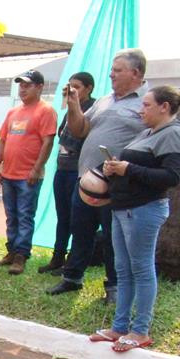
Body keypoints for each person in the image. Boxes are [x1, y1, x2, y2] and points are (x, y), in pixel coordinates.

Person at [48, 50, 150, 304]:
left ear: (136, 73)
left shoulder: (148, 103)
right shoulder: (105, 100)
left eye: (117, 70)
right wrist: (73, 105)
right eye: (112, 69)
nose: (111, 74)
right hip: (85, 180)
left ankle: (114, 287)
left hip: (119, 184)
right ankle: (72, 278)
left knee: (113, 237)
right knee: (80, 230)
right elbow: (80, 129)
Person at [89, 86, 180, 353]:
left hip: (144, 210)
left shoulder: (172, 134)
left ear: (164, 107)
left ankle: (140, 330)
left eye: (147, 105)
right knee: (124, 269)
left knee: (141, 268)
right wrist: (114, 168)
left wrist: (128, 168)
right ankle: (119, 327)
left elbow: (171, 177)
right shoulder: (147, 133)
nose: (142, 109)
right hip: (123, 208)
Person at [0, 70, 57, 275]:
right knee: (11, 216)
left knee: (25, 215)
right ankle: (11, 250)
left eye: (27, 85)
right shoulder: (13, 112)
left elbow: (48, 141)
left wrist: (37, 168)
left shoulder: (45, 111)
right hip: (8, 174)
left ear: (39, 87)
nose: (23, 89)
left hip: (28, 175)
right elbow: (3, 139)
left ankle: (21, 255)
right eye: (21, 85)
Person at [42, 72, 96, 275]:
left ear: (89, 88)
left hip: (78, 170)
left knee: (77, 219)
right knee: (63, 216)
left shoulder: (92, 108)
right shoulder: (68, 110)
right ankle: (57, 258)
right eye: (69, 87)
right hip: (62, 169)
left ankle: (72, 262)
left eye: (77, 87)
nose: (72, 91)